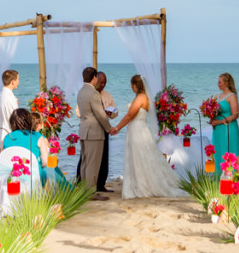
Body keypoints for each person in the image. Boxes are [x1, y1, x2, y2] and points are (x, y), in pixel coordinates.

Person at [110, 75, 184, 199]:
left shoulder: (140, 98)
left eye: (131, 84)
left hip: (138, 130)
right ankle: (141, 182)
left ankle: (142, 185)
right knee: (141, 158)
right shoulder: (144, 97)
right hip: (140, 129)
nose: (130, 87)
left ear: (135, 85)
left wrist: (117, 127)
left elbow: (129, 115)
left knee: (139, 157)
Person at [77, 67, 112, 199]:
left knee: (85, 162)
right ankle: (91, 193)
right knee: (93, 163)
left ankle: (84, 190)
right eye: (96, 77)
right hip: (94, 132)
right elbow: (101, 115)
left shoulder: (81, 91)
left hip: (84, 130)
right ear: (94, 78)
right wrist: (109, 128)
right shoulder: (93, 93)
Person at [3, 108, 48, 186]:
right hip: (34, 177)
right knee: (47, 175)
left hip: (13, 177)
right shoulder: (38, 136)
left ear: (12, 123)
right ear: (29, 120)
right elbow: (45, 162)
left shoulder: (6, 138)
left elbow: (3, 159)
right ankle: (47, 197)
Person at [209, 73, 239, 167]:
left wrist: (218, 122)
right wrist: (211, 118)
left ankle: (232, 177)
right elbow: (212, 111)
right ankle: (218, 177)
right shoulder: (216, 96)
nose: (218, 84)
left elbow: (235, 115)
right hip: (217, 129)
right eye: (218, 82)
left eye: (220, 82)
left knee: (229, 151)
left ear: (227, 83)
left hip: (228, 127)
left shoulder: (232, 96)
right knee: (218, 151)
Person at [96, 71, 117, 193]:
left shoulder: (108, 95)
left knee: (104, 156)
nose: (103, 85)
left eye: (105, 83)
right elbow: (79, 112)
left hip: (105, 127)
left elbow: (115, 111)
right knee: (88, 156)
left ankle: (101, 184)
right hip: (93, 128)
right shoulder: (90, 94)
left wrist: (111, 112)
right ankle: (82, 183)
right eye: (101, 82)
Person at [0, 69, 20, 150]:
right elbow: (14, 120)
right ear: (13, 81)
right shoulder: (10, 98)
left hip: (0, 136)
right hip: (10, 138)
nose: (18, 82)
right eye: (18, 79)